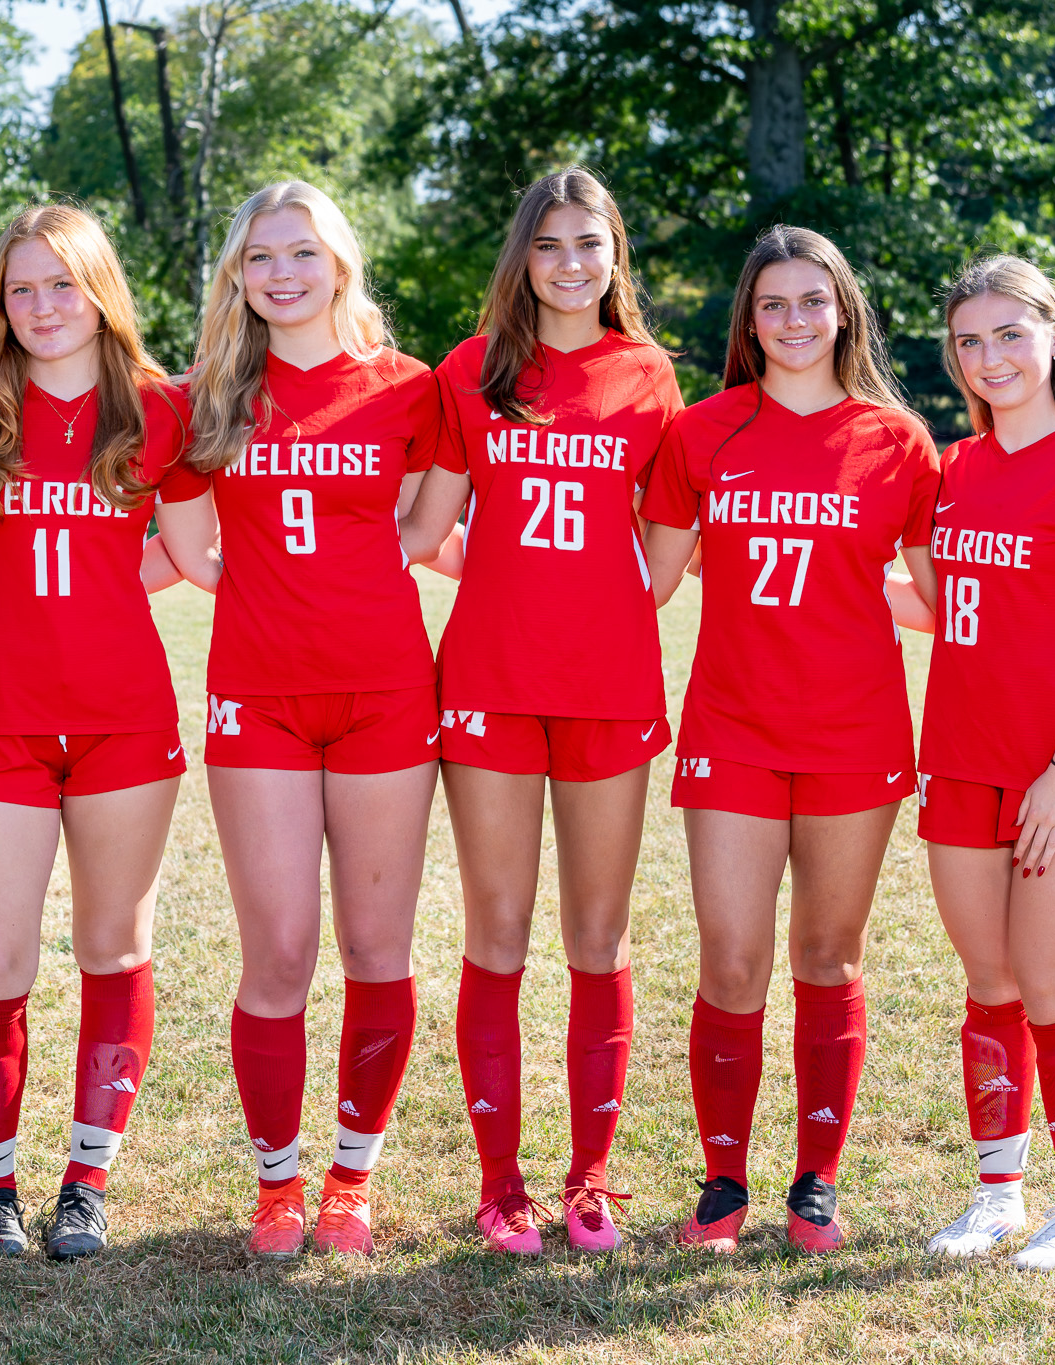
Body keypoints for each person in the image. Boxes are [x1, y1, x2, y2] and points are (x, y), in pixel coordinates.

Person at [154, 181, 443, 1259]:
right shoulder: (206, 399)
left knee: (375, 947)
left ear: (339, 264)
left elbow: (426, 525)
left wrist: (352, 582)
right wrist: (272, 590)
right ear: (237, 275)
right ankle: (278, 1182)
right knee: (278, 951)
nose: (281, 274)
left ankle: (350, 1180)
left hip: (385, 694)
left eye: (301, 253)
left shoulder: (406, 387)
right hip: (259, 697)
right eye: (259, 258)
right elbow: (190, 549)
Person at [638, 225, 940, 1254]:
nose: (794, 319)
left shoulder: (895, 441)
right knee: (731, 960)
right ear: (749, 321)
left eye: (813, 300)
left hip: (855, 731)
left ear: (843, 312)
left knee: (827, 953)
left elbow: (935, 595)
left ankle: (815, 1180)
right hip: (732, 726)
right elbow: (648, 581)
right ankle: (723, 1181)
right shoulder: (704, 432)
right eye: (772, 304)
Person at [399, 167, 682, 1254]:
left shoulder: (648, 374)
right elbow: (426, 527)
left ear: (615, 257)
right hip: (489, 685)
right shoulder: (472, 369)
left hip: (608, 686)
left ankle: (590, 1178)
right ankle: (500, 1179)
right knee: (498, 932)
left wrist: (589, 598)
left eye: (589, 243)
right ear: (522, 256)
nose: (570, 263)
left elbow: (659, 555)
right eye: (550, 243)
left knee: (597, 937)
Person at [0, 204, 189, 1261]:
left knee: (114, 946)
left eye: (61, 283)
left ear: (99, 291)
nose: (41, 305)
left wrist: (104, 595)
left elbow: (193, 551)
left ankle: (86, 1182)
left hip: (125, 717)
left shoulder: (159, 409)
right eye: (20, 288)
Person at [897, 255, 1055, 1269]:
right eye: (969, 340)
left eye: (1010, 333)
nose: (989, 356)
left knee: (1051, 986)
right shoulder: (953, 469)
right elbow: (938, 606)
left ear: (1054, 335)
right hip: (960, 761)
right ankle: (996, 1196)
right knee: (988, 983)